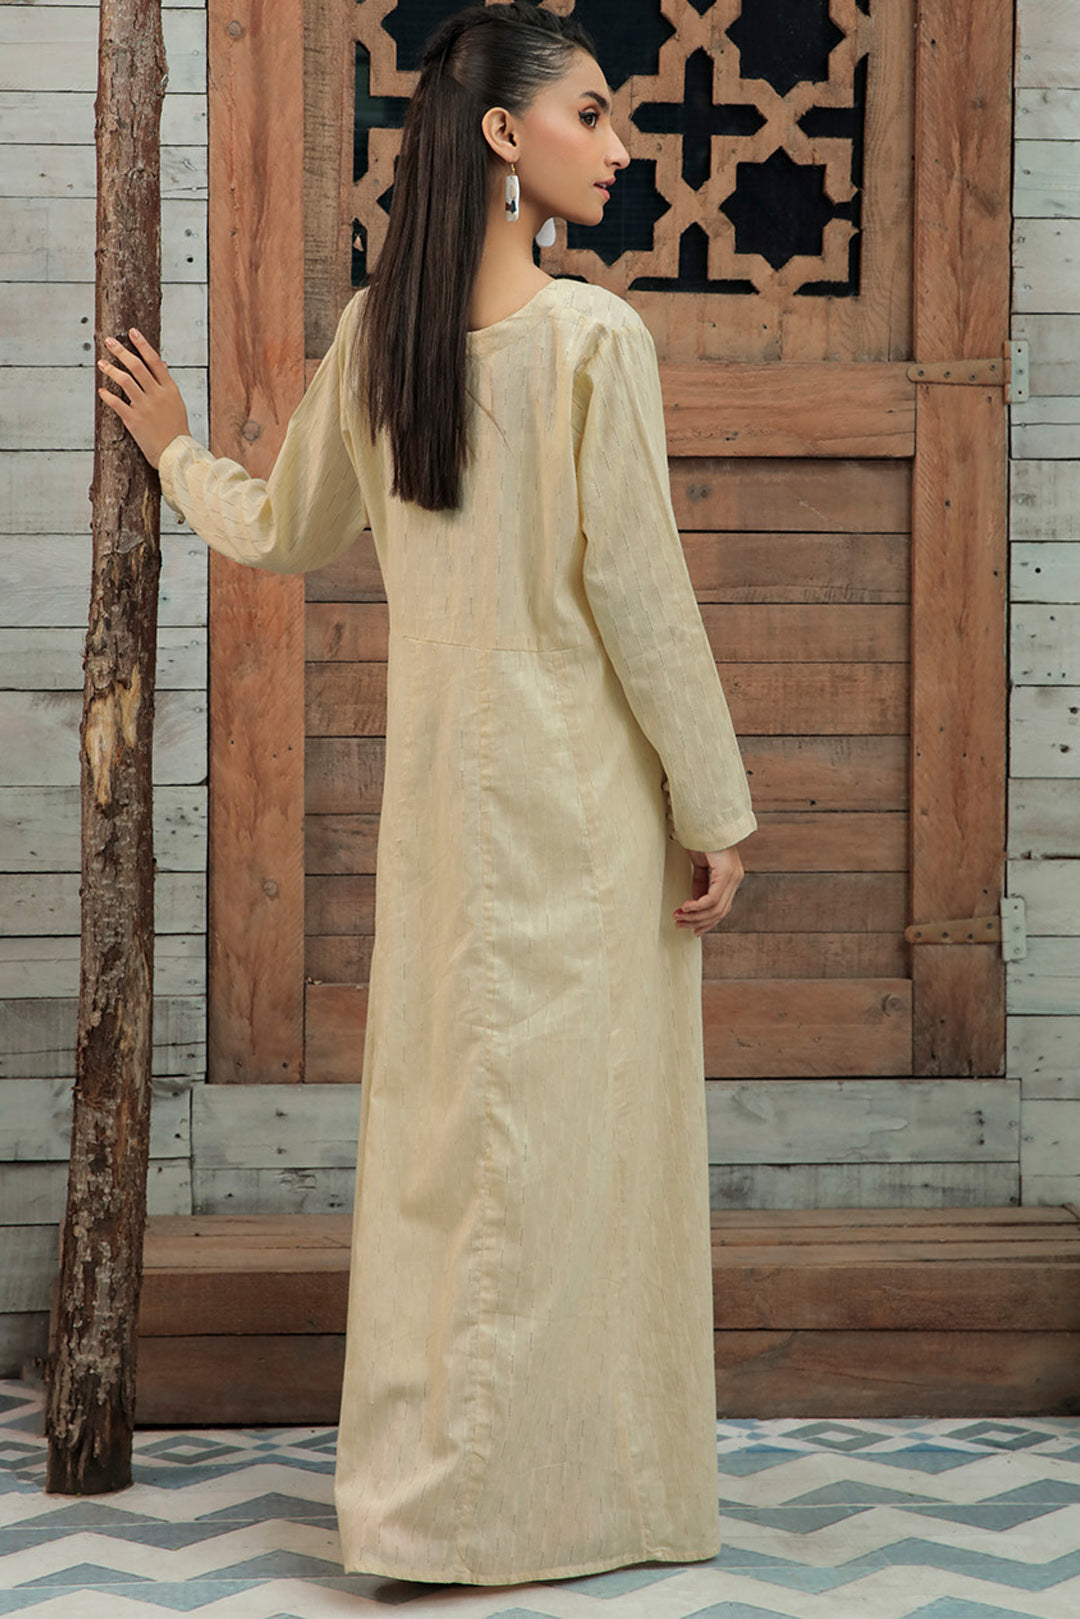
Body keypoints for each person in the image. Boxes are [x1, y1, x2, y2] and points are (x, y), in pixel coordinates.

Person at [96, 0, 757, 1588]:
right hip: (584, 802)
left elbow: (285, 532)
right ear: (504, 135)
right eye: (591, 113)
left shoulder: (377, 337)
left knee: (449, 1152)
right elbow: (641, 598)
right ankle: (581, 1500)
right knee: (585, 1150)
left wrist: (177, 456)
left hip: (446, 809)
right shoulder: (591, 338)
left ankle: (424, 1507)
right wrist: (716, 807)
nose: (621, 144)